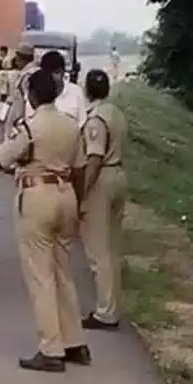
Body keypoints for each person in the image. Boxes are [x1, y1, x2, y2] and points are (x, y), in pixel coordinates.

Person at [0, 70, 90, 372]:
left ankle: (51, 349)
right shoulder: (71, 127)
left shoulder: (29, 128)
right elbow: (81, 170)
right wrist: (79, 202)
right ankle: (75, 343)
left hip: (37, 198)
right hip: (67, 196)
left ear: (32, 95)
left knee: (41, 276)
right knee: (63, 273)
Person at [79, 69, 128, 331]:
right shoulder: (116, 113)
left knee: (99, 250)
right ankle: (113, 305)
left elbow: (94, 159)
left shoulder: (95, 119)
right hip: (119, 173)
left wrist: (82, 193)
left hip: (102, 179)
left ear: (87, 89)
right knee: (113, 246)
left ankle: (105, 312)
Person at [39, 50, 86, 123]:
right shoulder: (36, 93)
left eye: (56, 72)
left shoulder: (76, 92)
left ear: (63, 72)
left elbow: (83, 121)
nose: (52, 77)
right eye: (48, 73)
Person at [3, 42, 38, 132]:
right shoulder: (31, 72)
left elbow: (27, 101)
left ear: (23, 58)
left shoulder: (28, 75)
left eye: (18, 57)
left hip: (21, 118)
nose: (16, 60)